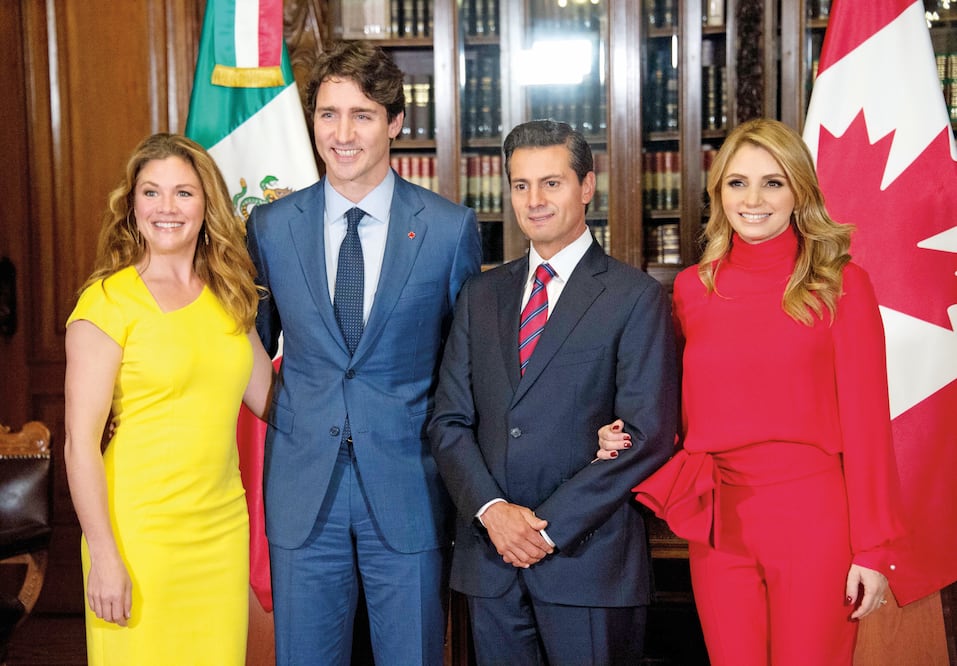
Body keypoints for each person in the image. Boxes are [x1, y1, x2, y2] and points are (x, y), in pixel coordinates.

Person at [596, 118, 906, 665]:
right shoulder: (694, 287)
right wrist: (622, 433)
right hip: (720, 523)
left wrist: (875, 548)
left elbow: (867, 422)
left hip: (815, 521)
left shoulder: (840, 285)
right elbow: (672, 402)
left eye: (773, 182)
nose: (754, 199)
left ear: (799, 192)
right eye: (737, 183)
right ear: (719, 193)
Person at [245, 40, 482, 665]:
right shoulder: (270, 228)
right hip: (304, 497)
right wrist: (291, 416)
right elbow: (247, 350)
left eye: (363, 114)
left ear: (396, 123)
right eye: (328, 114)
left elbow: (467, 372)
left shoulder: (448, 228)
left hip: (409, 489)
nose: (342, 133)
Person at [428, 119, 678, 665]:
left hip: (588, 564)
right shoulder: (480, 294)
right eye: (521, 185)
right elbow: (449, 421)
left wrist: (544, 531)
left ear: (587, 186)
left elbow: (649, 434)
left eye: (552, 183)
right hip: (491, 560)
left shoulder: (636, 298)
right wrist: (494, 513)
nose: (534, 200)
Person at [63, 133, 275, 665]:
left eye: (183, 192)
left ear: (206, 204)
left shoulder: (228, 296)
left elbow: (272, 402)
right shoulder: (107, 303)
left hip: (221, 532)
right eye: (151, 192)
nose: (166, 207)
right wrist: (104, 556)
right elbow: (79, 445)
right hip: (138, 537)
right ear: (132, 206)